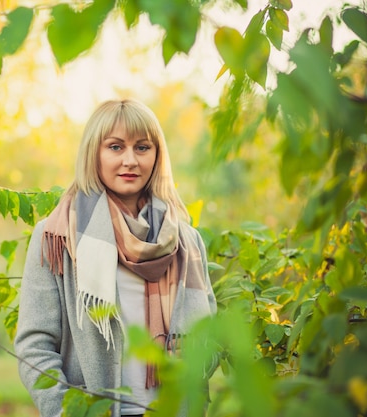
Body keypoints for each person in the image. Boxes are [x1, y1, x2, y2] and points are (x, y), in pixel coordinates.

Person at [14, 99, 217, 417]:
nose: (130, 160)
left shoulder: (185, 241)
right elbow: (34, 345)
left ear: (157, 155)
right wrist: (66, 412)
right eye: (115, 147)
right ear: (94, 153)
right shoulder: (59, 237)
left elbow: (209, 335)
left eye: (142, 147)